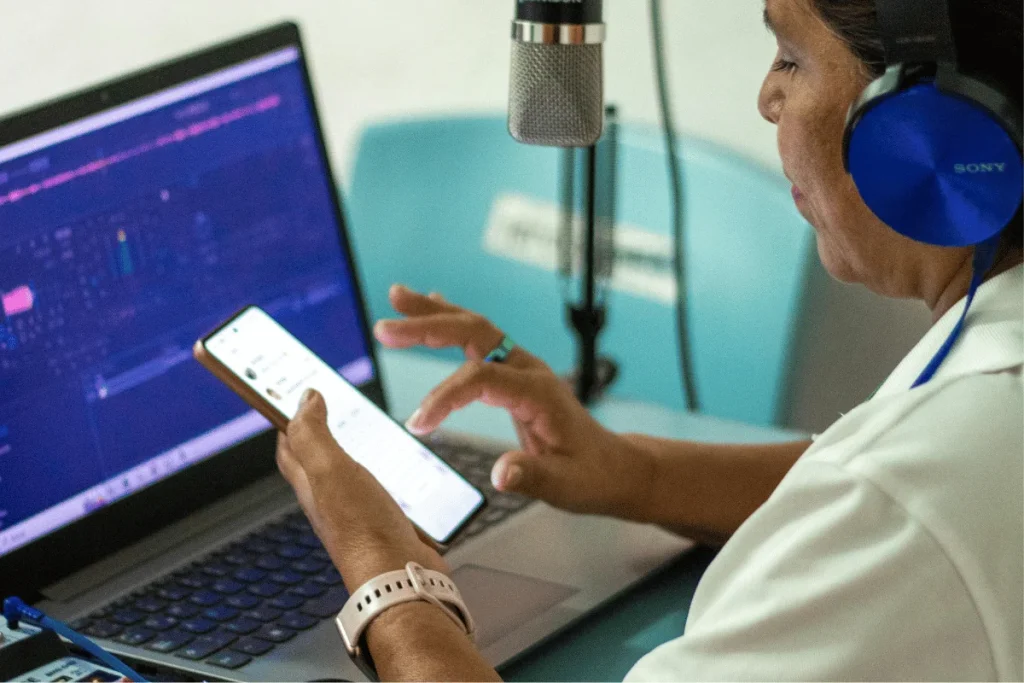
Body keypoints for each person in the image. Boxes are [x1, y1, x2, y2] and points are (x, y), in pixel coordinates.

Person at [274, 0, 1023, 679]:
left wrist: (391, 576)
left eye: (791, 57)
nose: (766, 97)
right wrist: (634, 472)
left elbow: (889, 505)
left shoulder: (912, 494)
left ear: (936, 123)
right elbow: (866, 499)